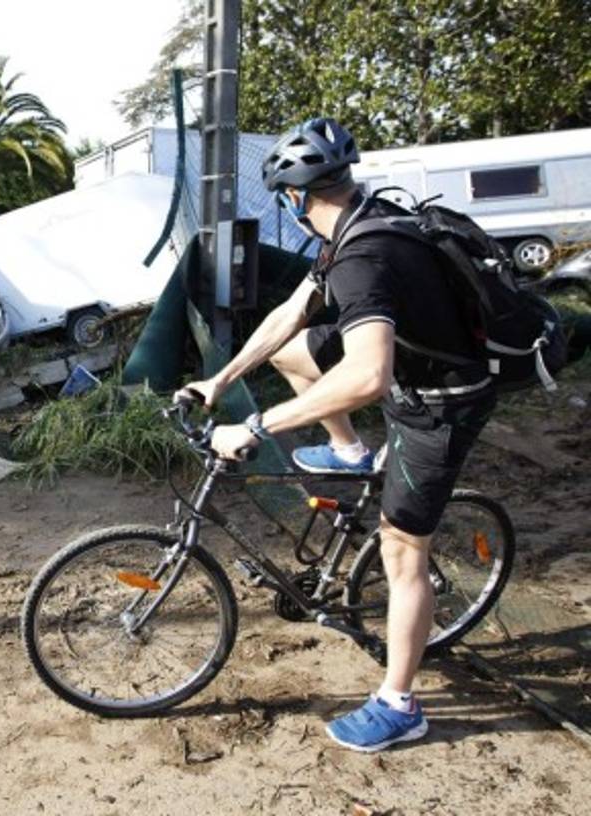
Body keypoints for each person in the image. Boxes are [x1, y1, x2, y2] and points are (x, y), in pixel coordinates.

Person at [178, 118, 497, 752]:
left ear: (294, 197)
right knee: (294, 351)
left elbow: (368, 375)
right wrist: (221, 380)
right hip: (413, 368)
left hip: (442, 400)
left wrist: (257, 424)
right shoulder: (354, 221)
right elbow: (290, 314)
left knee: (402, 550)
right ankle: (351, 451)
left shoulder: (362, 258)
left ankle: (401, 704)